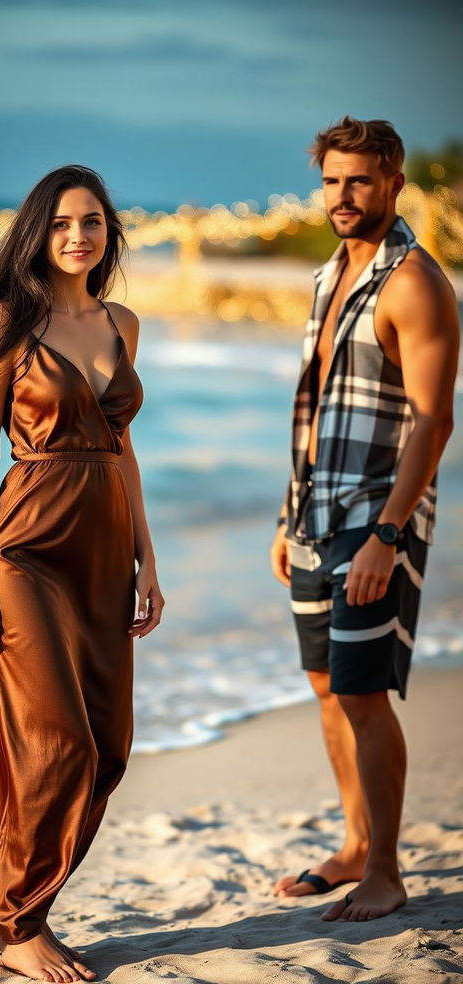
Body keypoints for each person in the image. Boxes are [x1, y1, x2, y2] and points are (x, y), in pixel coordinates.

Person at [0, 165, 164, 982]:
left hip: (104, 549)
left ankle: (24, 909)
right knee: (58, 739)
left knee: (107, 745)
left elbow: (121, 447)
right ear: (39, 230)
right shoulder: (6, 324)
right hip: (23, 547)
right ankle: (19, 925)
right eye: (62, 222)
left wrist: (147, 560)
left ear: (108, 232)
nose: (78, 235)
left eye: (92, 221)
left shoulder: (122, 320)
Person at [270, 117, 458, 922]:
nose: (342, 197)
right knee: (324, 687)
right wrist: (287, 513)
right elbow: (317, 405)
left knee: (363, 692)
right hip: (316, 511)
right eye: (332, 181)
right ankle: (352, 844)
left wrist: (387, 533)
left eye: (359, 181)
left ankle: (385, 868)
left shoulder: (414, 282)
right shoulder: (329, 275)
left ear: (393, 185)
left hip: (377, 517)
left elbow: (434, 421)